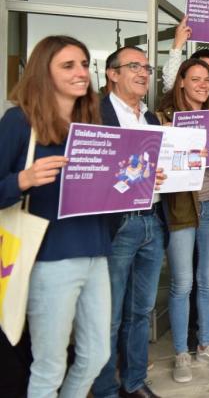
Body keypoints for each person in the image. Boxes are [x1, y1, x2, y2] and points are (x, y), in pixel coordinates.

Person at [0, 35, 110, 397]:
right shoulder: (19, 121)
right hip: (48, 258)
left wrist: (138, 182)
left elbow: (102, 191)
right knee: (49, 366)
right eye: (68, 65)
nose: (81, 72)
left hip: (96, 252)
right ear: (42, 72)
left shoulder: (92, 122)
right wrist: (23, 180)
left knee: (96, 355)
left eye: (84, 64)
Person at [92, 46, 166, 398]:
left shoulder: (151, 119)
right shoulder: (95, 114)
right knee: (108, 315)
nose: (142, 73)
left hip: (152, 222)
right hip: (117, 225)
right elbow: (89, 169)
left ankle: (134, 382)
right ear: (112, 73)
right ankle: (105, 388)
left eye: (146, 68)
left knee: (141, 311)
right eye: (134, 66)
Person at [157, 58, 209, 383]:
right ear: (181, 82)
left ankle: (206, 344)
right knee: (182, 283)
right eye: (196, 79)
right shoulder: (163, 119)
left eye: (207, 80)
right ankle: (181, 353)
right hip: (181, 211)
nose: (203, 85)